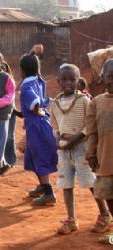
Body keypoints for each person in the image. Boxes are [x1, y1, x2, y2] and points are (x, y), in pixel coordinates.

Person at [50, 64, 111, 235]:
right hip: (63, 150)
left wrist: (75, 139)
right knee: (66, 183)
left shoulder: (84, 101)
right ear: (58, 81)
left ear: (78, 82)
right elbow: (54, 124)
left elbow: (89, 125)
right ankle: (71, 219)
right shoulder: (55, 103)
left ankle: (105, 214)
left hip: (81, 148)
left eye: (72, 79)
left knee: (91, 182)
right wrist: (57, 138)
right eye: (64, 79)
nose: (68, 83)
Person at [20, 53, 58, 206]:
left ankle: (49, 193)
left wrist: (37, 112)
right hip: (39, 123)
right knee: (33, 155)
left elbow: (35, 103)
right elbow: (37, 102)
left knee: (39, 156)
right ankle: (44, 186)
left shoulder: (26, 86)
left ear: (22, 71)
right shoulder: (39, 81)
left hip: (36, 125)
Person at [86, 59, 113, 244]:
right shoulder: (96, 103)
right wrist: (91, 154)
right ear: (102, 78)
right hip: (105, 159)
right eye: (110, 77)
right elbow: (92, 131)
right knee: (109, 195)